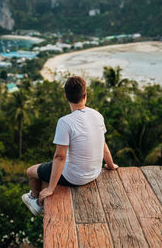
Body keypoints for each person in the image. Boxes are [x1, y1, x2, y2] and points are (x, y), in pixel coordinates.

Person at [22, 76, 118, 216]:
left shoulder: (65, 122)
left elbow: (60, 157)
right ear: (85, 95)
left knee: (31, 171)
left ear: (66, 96)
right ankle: (34, 198)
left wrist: (50, 189)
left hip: (74, 178)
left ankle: (35, 202)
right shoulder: (97, 115)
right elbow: (102, 144)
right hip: (94, 173)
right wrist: (110, 164)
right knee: (51, 166)